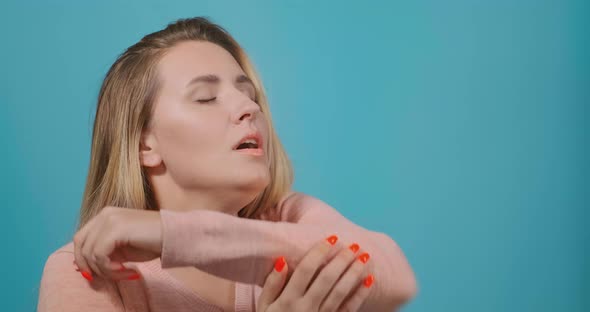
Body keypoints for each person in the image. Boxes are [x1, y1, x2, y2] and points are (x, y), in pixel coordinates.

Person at [37, 16, 417, 311]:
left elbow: (396, 278)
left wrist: (172, 235)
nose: (248, 108)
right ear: (144, 146)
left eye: (248, 94)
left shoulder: (288, 217)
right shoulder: (87, 270)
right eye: (205, 98)